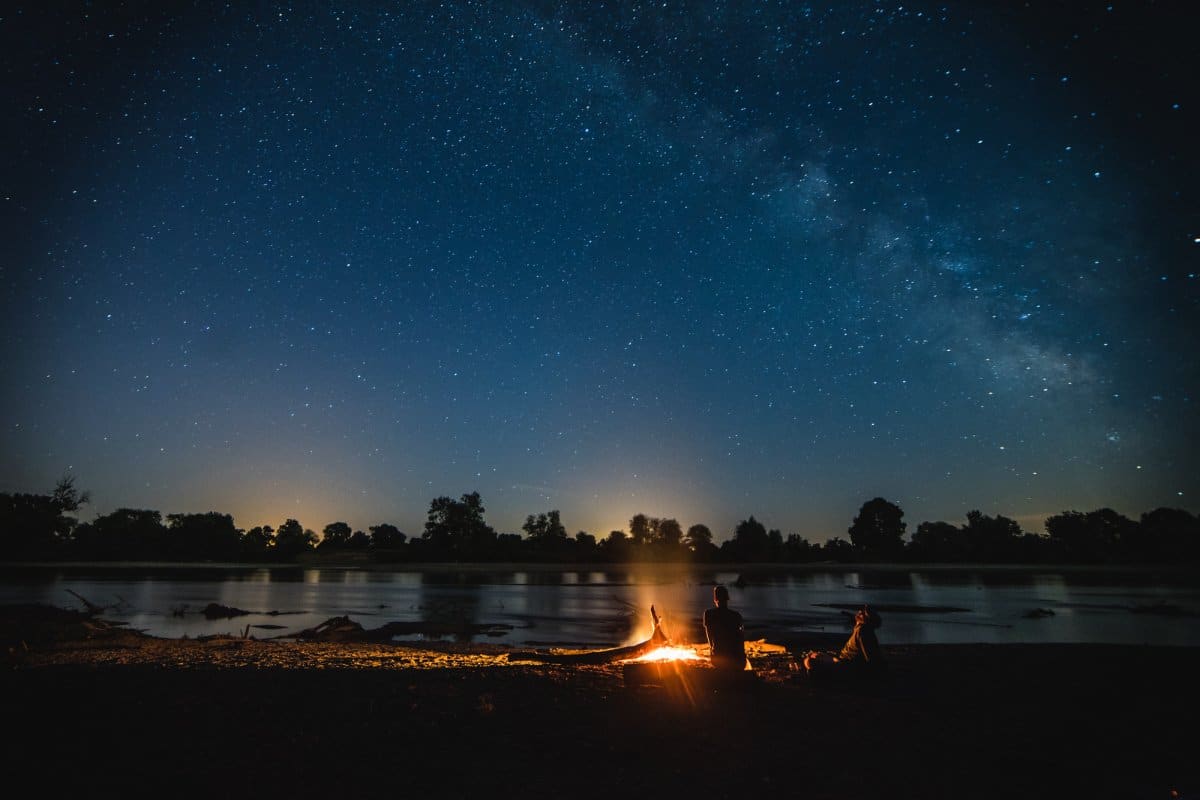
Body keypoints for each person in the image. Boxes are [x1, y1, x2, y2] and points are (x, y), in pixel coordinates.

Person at [803, 604, 885, 679]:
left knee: (809, 661)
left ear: (865, 618)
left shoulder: (862, 631)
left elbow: (870, 657)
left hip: (845, 665)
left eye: (863, 612)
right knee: (814, 655)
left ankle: (816, 673)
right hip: (843, 660)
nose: (859, 611)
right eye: (861, 610)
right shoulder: (860, 629)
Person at [703, 584, 747, 673]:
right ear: (727, 598)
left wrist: (712, 650)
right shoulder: (736, 616)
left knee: (717, 655)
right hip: (738, 660)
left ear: (715, 599)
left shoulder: (709, 614)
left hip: (719, 659)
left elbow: (709, 636)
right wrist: (742, 658)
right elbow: (741, 639)